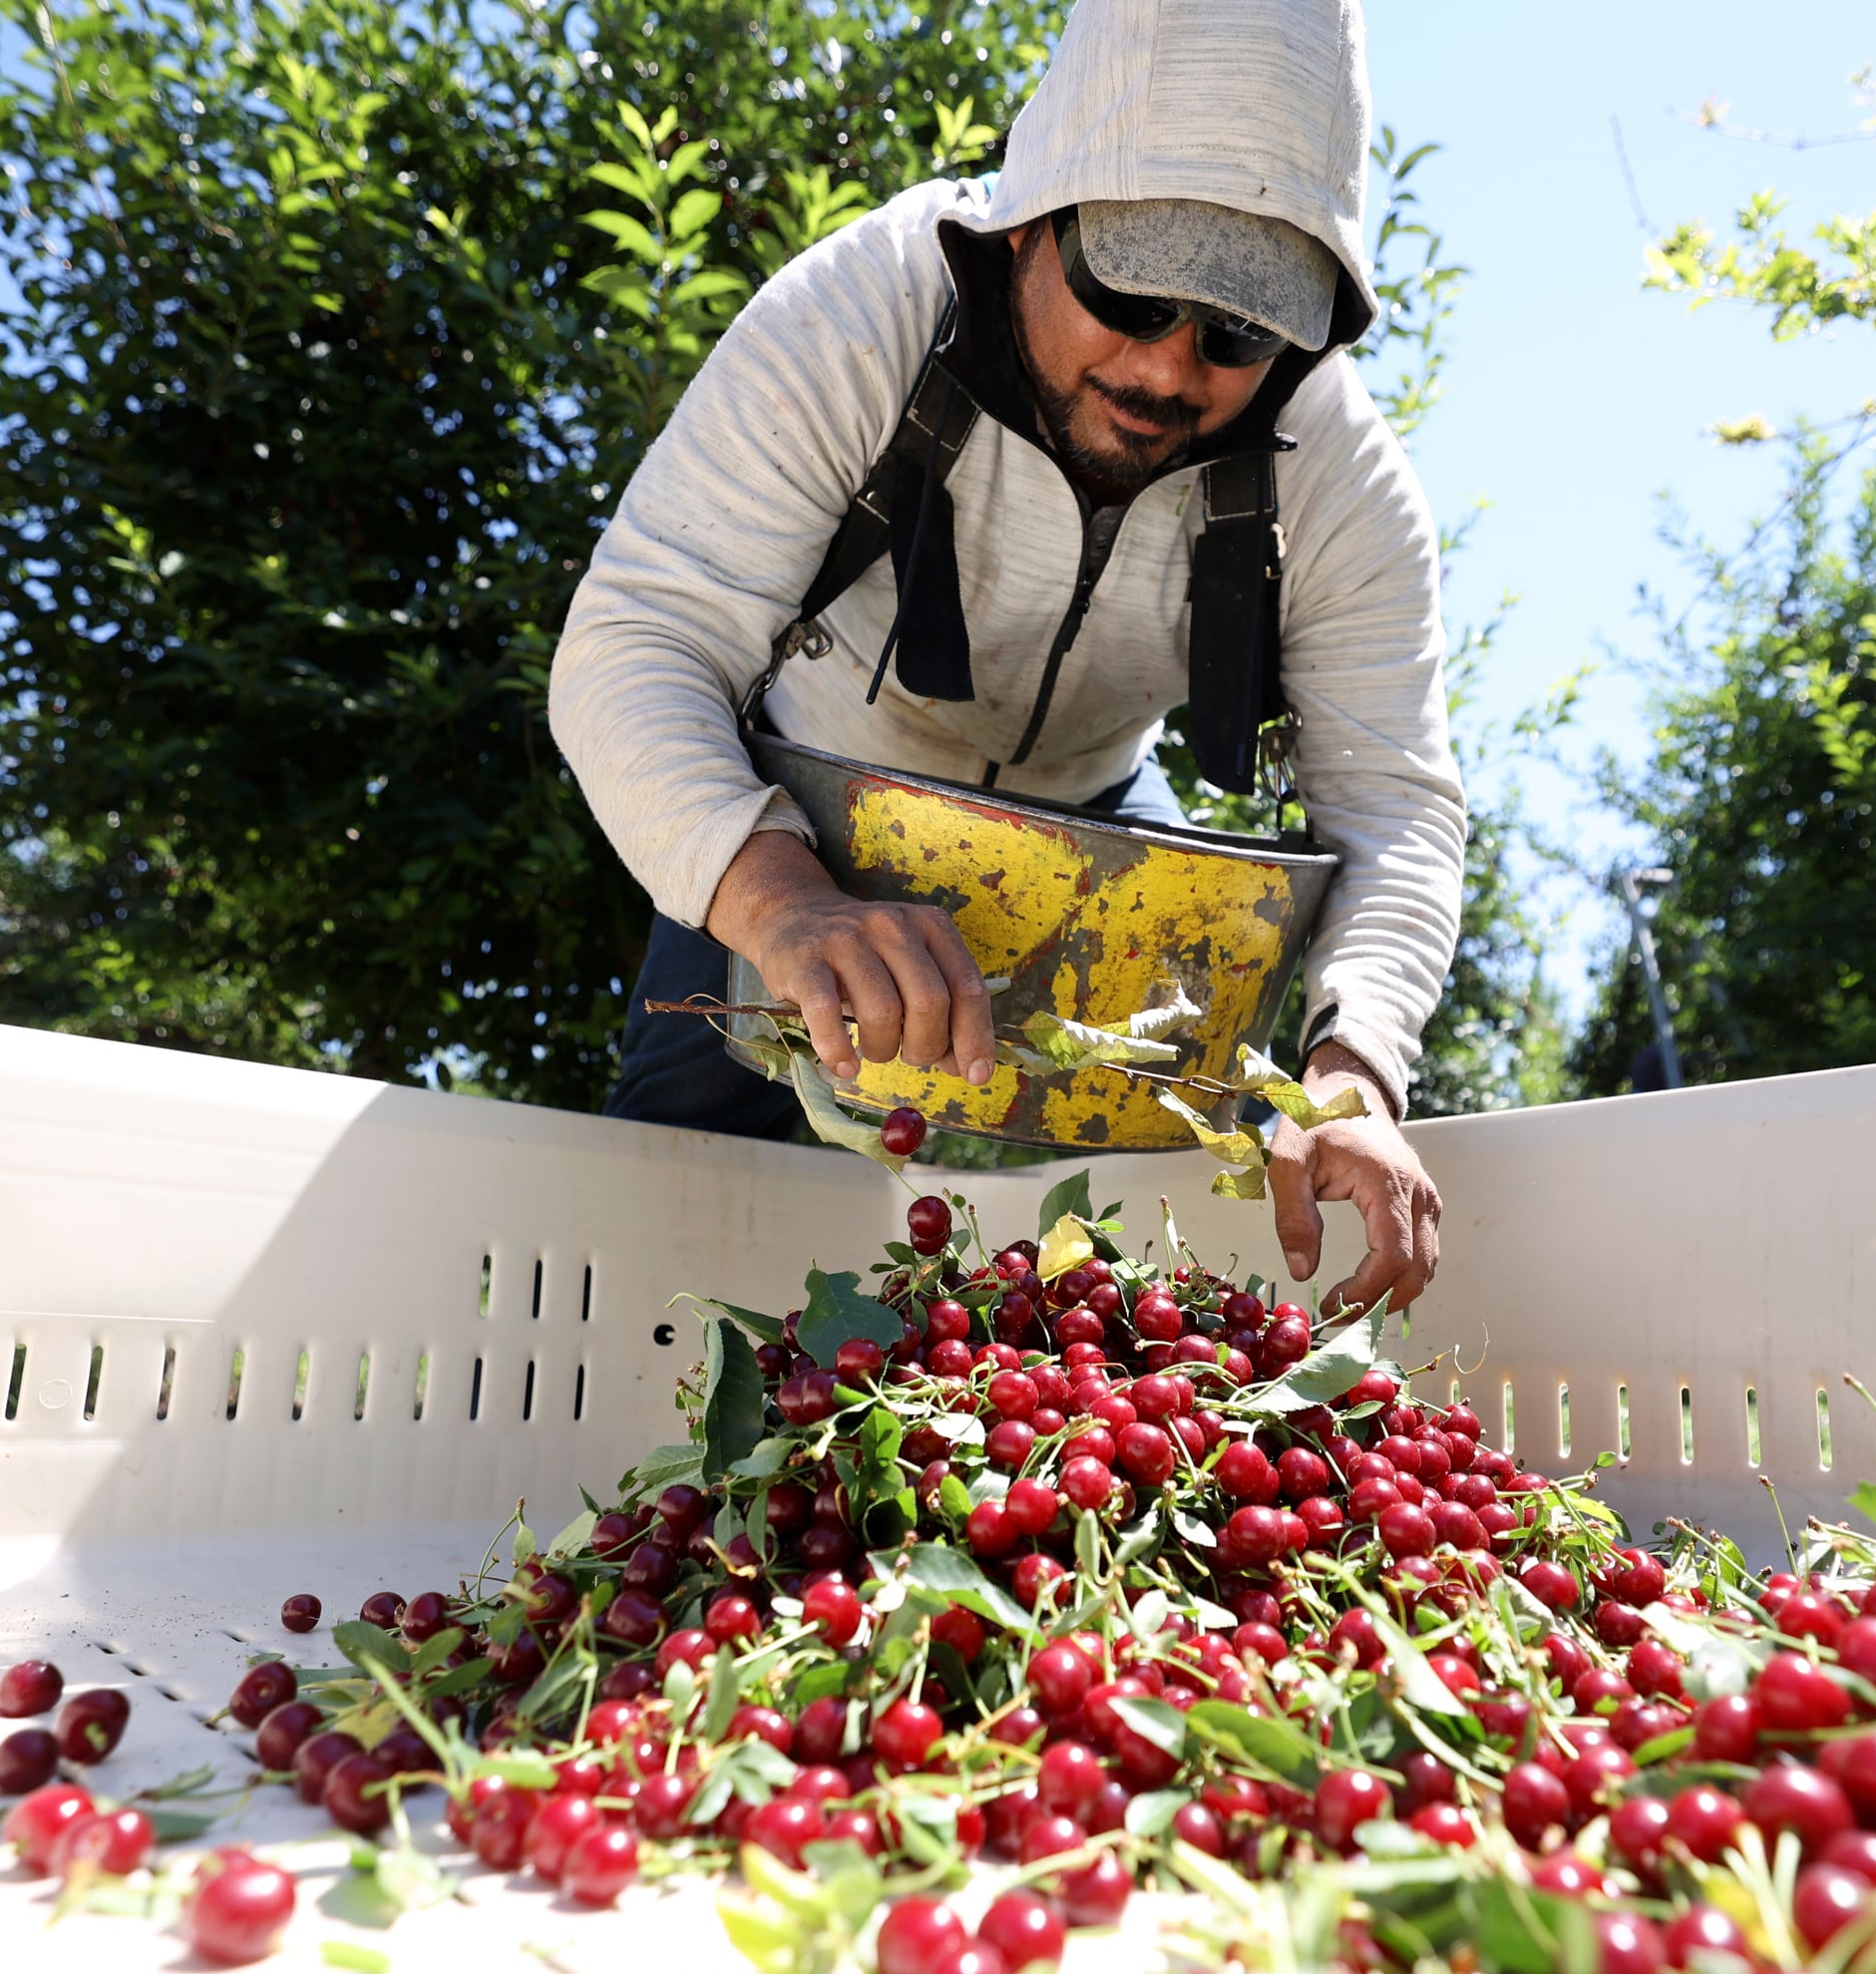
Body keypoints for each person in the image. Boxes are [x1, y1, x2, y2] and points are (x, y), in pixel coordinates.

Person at [548, 0, 1464, 1314]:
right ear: (1034, 219)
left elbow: (1398, 810)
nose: (1165, 369)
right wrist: (782, 905)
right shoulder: (862, 311)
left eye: (1239, 334)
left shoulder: (1341, 478)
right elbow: (640, 637)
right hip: (800, 814)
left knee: (1103, 1281)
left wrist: (1353, 1075)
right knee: (674, 1220)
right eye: (1131, 293)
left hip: (1104, 836)